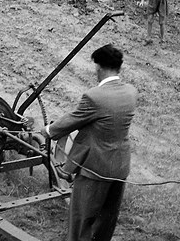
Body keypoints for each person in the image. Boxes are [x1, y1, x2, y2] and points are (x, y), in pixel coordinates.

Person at [40, 44, 137, 241]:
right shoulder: (130, 92)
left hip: (95, 169)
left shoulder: (95, 96)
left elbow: (73, 119)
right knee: (107, 218)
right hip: (119, 167)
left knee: (81, 218)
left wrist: (48, 131)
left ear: (99, 67)